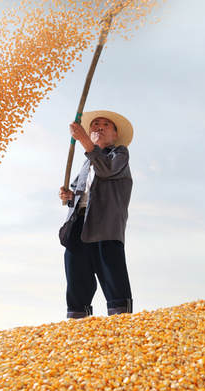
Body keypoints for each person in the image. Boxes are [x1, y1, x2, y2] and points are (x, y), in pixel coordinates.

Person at [58, 110, 134, 319]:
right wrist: (68, 194)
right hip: (79, 224)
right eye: (95, 124)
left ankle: (121, 323)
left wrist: (82, 139)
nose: (100, 126)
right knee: (76, 276)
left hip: (105, 225)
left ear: (115, 134)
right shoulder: (86, 164)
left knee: (112, 274)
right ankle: (77, 324)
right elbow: (77, 194)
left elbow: (106, 170)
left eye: (106, 124)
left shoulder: (119, 154)